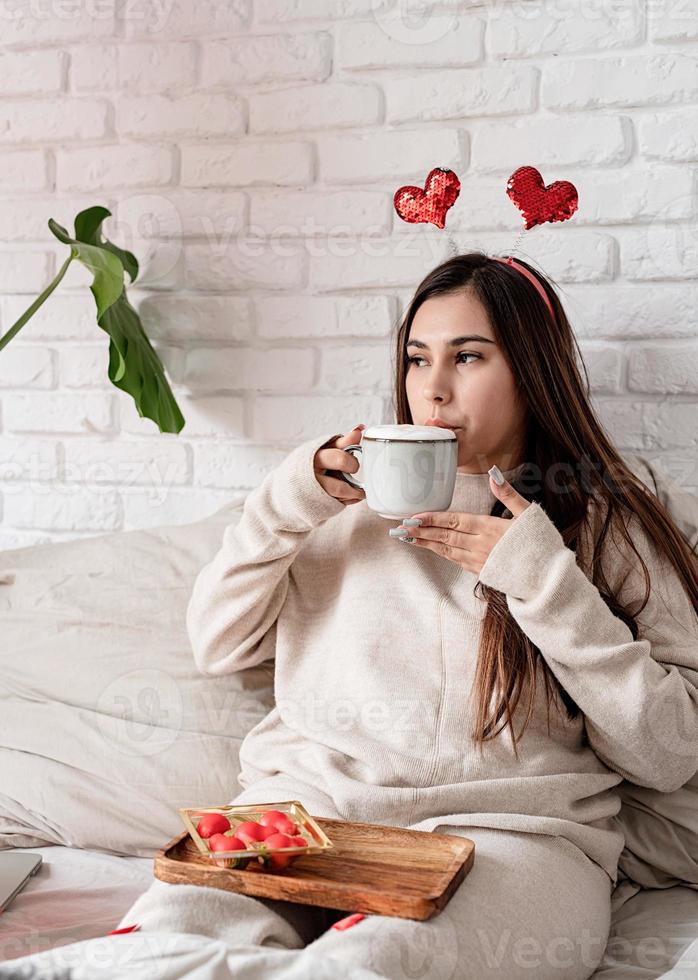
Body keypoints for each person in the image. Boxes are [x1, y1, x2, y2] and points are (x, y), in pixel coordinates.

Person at [137, 252, 698, 980]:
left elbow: (667, 752)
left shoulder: (606, 524)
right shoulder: (329, 504)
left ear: (533, 372)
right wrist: (281, 507)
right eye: (416, 358)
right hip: (308, 805)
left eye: (468, 357)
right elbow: (218, 645)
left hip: (514, 835)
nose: (432, 389)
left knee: (377, 964)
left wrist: (545, 583)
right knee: (165, 934)